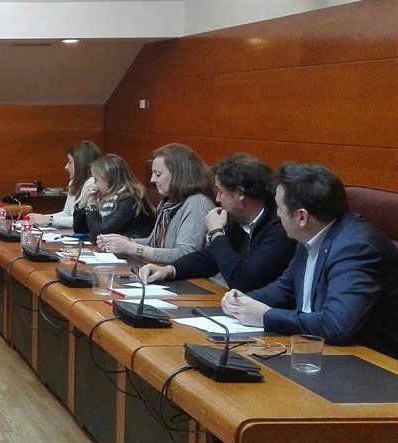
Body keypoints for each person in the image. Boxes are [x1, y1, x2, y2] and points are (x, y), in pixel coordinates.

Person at [221, 163, 398, 357]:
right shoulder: (311, 234)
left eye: (279, 208)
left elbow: (336, 325)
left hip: (371, 361)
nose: (277, 214)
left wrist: (265, 316)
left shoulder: (356, 248)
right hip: (317, 349)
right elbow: (285, 288)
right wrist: (244, 300)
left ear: (302, 217)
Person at [139, 153, 296, 291]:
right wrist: (170, 270)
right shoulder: (238, 221)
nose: (217, 199)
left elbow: (243, 281)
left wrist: (216, 232)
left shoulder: (280, 228)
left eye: (221, 192)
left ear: (240, 194)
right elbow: (208, 258)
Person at [96, 143, 215, 264]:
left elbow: (185, 254)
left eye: (158, 174)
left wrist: (130, 247)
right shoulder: (168, 202)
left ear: (179, 174)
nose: (152, 179)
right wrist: (125, 241)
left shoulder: (197, 203)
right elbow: (153, 243)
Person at [73, 154, 154, 238]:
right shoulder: (106, 197)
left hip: (134, 244)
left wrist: (92, 207)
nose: (94, 184)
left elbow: (102, 233)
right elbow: (80, 230)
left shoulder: (129, 198)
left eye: (96, 180)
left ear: (110, 180)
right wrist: (82, 205)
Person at [30, 141, 101, 228]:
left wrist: (49, 219)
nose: (66, 167)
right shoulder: (73, 183)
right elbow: (67, 213)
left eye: (70, 162)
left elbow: (83, 221)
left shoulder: (93, 183)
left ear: (81, 164)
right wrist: (41, 217)